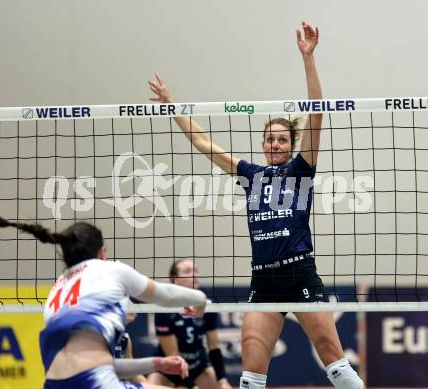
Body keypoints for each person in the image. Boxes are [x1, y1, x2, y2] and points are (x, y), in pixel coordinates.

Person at [148, 22, 364, 389]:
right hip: (264, 279)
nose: (275, 145)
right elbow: (204, 144)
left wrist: (308, 58)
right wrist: (173, 106)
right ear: (263, 144)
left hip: (299, 274)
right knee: (250, 373)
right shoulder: (251, 174)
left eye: (282, 139)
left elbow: (316, 114)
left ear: (292, 144)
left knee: (335, 360)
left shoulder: (302, 169)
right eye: (270, 140)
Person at [0, 215, 207, 389]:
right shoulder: (109, 269)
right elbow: (164, 294)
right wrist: (200, 298)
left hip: (54, 383)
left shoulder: (57, 289)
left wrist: (155, 364)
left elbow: (93, 364)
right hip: (95, 380)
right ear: (101, 252)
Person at [148, 259, 232, 389]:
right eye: (188, 271)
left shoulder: (207, 306)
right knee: (152, 383)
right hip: (168, 370)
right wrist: (191, 385)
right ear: (175, 279)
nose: (194, 274)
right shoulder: (163, 309)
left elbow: (214, 347)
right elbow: (173, 356)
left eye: (196, 271)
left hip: (198, 368)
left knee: (223, 386)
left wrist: (222, 380)